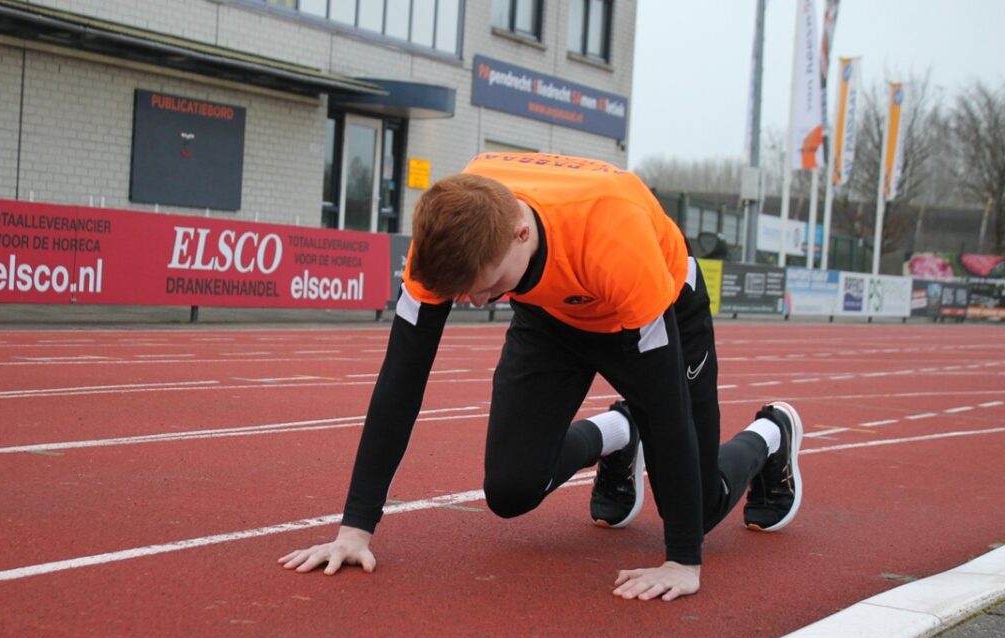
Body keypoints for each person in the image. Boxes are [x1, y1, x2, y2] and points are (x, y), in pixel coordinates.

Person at [279, 152, 803, 601]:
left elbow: (666, 405)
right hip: (551, 318)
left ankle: (772, 433)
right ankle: (618, 434)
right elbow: (401, 383)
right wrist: (355, 528)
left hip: (655, 311)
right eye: (465, 295)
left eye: (487, 288)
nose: (477, 302)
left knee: (696, 506)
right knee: (510, 490)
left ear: (521, 233)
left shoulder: (613, 235)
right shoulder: (448, 233)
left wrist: (683, 561)